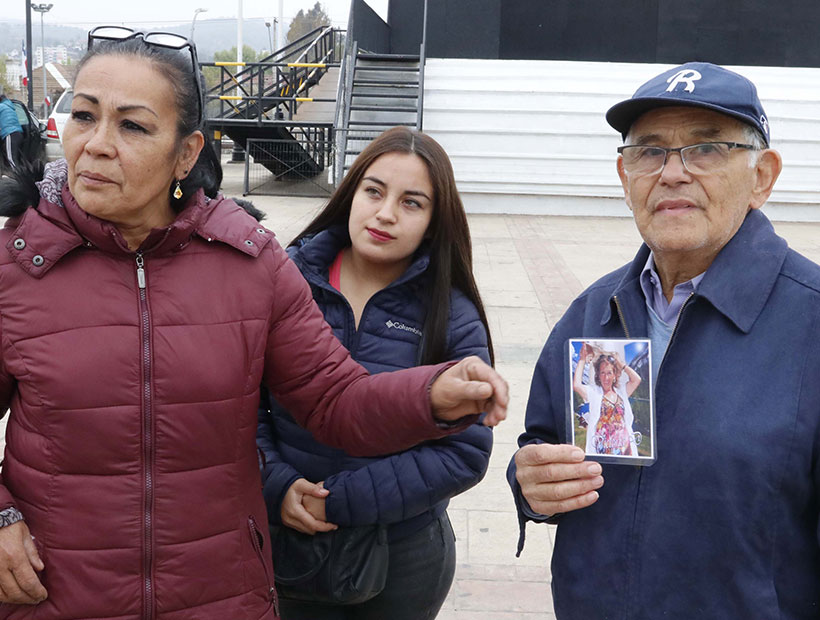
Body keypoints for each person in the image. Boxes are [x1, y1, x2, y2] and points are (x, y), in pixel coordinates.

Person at [0, 28, 508, 620]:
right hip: (55, 592)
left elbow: (334, 401)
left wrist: (430, 396)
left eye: (133, 125)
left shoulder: (252, 262)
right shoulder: (16, 266)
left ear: (186, 154)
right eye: (84, 116)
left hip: (217, 594)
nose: (96, 144)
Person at [508, 62, 820, 618]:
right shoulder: (593, 312)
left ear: (762, 177)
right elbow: (543, 439)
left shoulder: (812, 321)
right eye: (649, 151)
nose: (672, 173)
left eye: (706, 149)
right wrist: (530, 481)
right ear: (626, 177)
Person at [257, 127, 493, 620]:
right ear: (351, 194)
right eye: (374, 191)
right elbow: (236, 404)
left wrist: (338, 502)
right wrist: (277, 484)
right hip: (286, 541)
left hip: (404, 557)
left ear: (432, 221)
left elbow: (465, 452)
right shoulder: (283, 282)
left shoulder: (451, 312)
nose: (386, 214)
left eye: (412, 203)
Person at [572, 344, 640, 456]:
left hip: (625, 448)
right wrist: (582, 359)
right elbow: (577, 385)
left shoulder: (622, 392)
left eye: (609, 373)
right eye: (602, 373)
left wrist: (621, 365)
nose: (606, 377)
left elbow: (636, 379)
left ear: (615, 376)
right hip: (603, 448)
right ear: (598, 375)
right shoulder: (594, 392)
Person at [0, 91, 24, 171]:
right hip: (18, 133)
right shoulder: (10, 107)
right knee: (15, 157)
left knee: (11, 159)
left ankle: (18, 177)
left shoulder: (1, 107)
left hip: (10, 133)